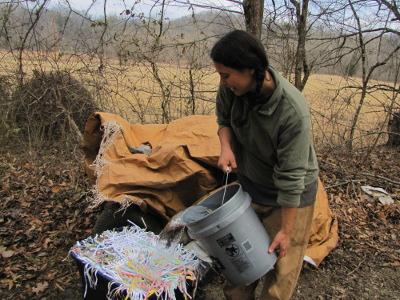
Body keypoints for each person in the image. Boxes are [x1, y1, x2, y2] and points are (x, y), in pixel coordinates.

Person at [211, 29, 319, 300]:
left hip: (291, 197)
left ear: (251, 69)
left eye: (226, 75)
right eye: (220, 75)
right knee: (242, 258)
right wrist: (226, 148)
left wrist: (285, 230)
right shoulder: (232, 89)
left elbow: (293, 177)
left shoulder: (291, 111)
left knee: (280, 266)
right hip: (250, 185)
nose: (223, 83)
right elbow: (224, 120)